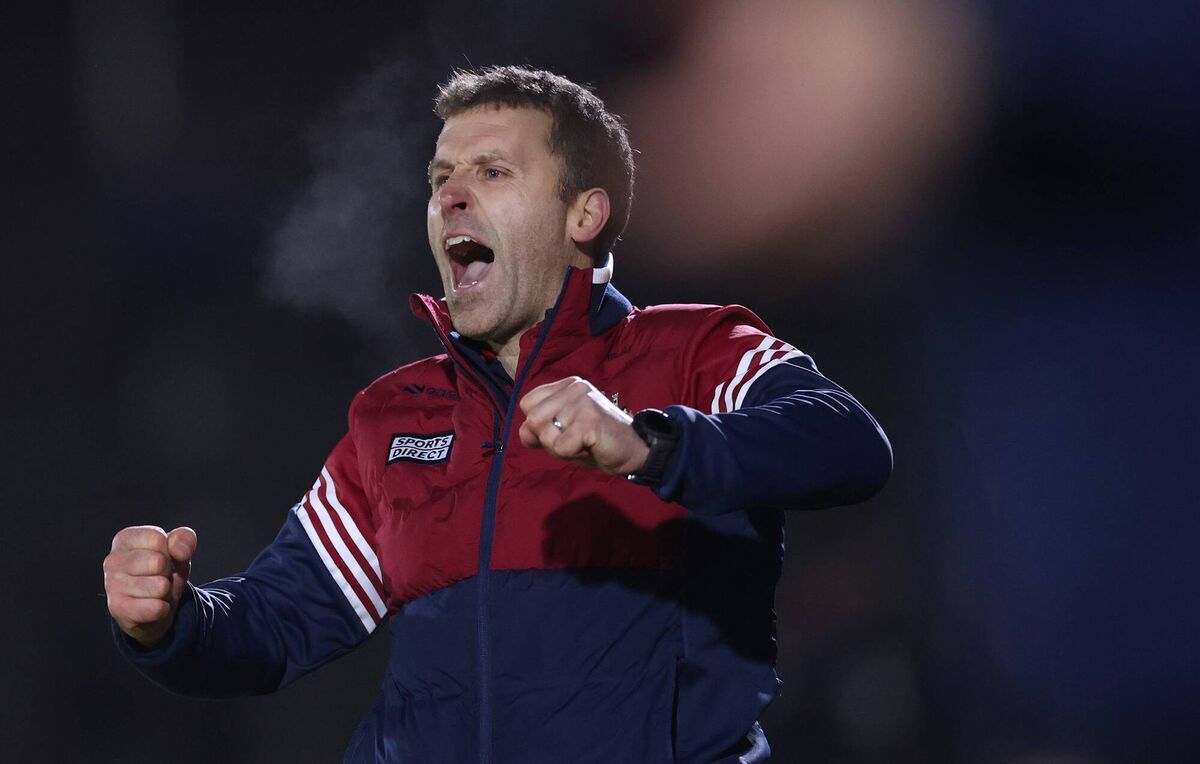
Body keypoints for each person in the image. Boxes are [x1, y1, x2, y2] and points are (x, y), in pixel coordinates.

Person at [103, 66, 892, 763]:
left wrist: (648, 444)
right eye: (440, 174)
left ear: (582, 216)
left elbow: (847, 441)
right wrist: (172, 621)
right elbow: (274, 623)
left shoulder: (694, 351)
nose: (450, 194)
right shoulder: (393, 417)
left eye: (492, 170)